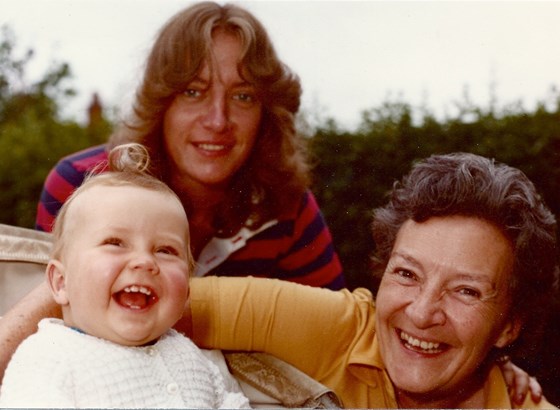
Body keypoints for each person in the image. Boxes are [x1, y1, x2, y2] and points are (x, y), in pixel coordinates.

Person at [182, 152, 558, 408]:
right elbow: (151, 297)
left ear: (509, 326)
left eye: (466, 291)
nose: (423, 312)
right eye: (407, 273)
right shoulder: (339, 330)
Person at [36, 1, 344, 290]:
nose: (218, 121)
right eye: (193, 92)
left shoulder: (288, 207)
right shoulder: (81, 183)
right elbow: (45, 319)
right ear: (160, 104)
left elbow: (337, 333)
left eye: (243, 96)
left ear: (267, 113)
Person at [0, 144, 250, 408]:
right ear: (61, 282)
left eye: (165, 250)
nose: (145, 261)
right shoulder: (49, 357)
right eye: (116, 243)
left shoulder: (191, 356)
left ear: (186, 292)